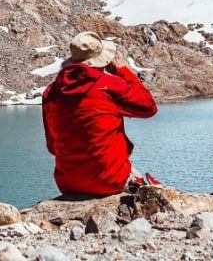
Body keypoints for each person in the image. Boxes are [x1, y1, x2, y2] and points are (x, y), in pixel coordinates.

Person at [42, 31, 158, 196]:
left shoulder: (51, 92)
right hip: (109, 181)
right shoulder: (109, 85)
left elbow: (52, 146)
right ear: (101, 60)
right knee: (147, 187)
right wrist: (124, 72)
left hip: (67, 183)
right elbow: (149, 107)